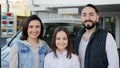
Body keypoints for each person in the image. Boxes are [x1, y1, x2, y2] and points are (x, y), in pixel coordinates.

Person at [74, 4, 119, 68]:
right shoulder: (78, 38)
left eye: (91, 14)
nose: (87, 18)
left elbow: (114, 65)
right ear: (81, 18)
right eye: (84, 15)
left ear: (97, 18)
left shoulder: (107, 37)